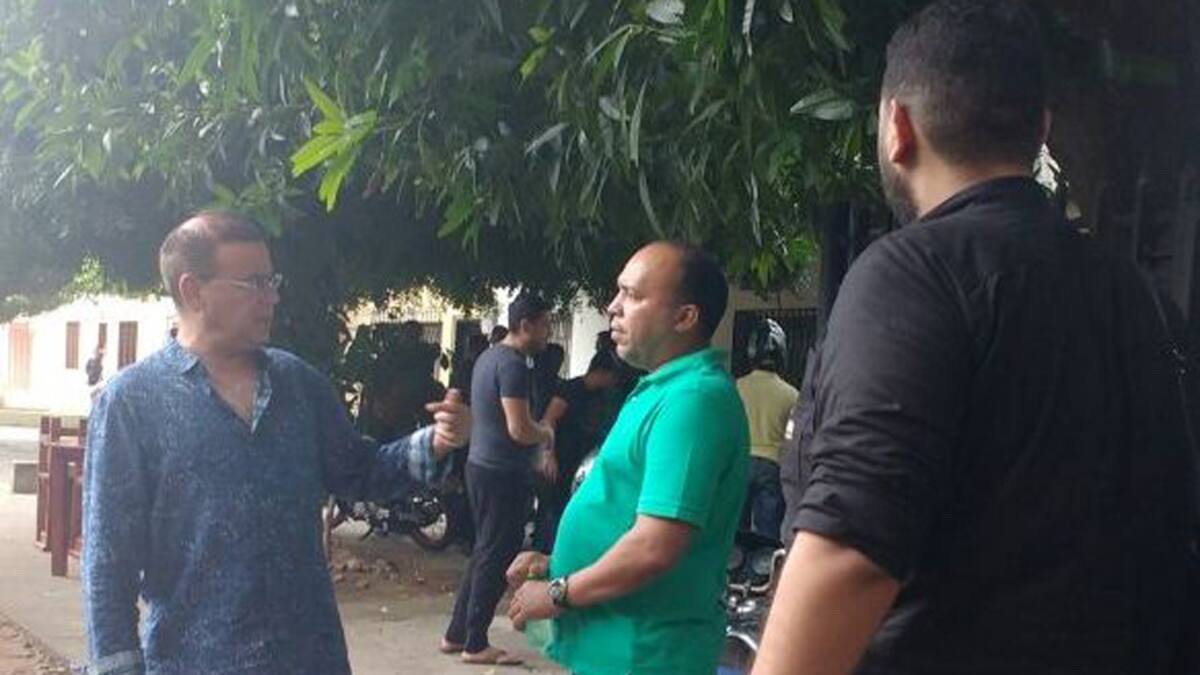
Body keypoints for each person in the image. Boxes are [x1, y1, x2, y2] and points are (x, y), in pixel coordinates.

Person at [753, 2, 1198, 674]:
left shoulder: (913, 272)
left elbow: (850, 551)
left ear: (897, 126)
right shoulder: (1135, 295)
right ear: (1041, 129)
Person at [82, 211, 471, 675]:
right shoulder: (132, 403)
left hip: (310, 659)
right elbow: (109, 562)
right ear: (193, 291)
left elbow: (360, 471)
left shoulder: (298, 385)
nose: (272, 297)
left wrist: (438, 442)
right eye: (254, 283)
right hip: (194, 662)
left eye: (272, 281)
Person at [506, 241, 750, 675]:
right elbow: (624, 512)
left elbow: (655, 546)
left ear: (684, 317)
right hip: (613, 646)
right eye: (618, 291)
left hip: (645, 654)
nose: (613, 306)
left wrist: (560, 592)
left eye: (633, 295)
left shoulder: (693, 400)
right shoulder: (662, 388)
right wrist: (557, 564)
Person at [442, 292, 554, 666]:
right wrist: (545, 432)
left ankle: (457, 634)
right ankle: (475, 643)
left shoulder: (488, 357)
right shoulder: (513, 365)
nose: (548, 332)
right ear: (526, 325)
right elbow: (519, 429)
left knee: (484, 551)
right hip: (502, 473)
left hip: (481, 466)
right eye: (545, 325)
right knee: (495, 555)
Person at [531, 349, 624, 553]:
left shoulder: (601, 395)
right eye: (612, 376)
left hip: (579, 461)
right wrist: (548, 454)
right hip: (560, 458)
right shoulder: (570, 389)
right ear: (601, 372)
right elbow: (549, 420)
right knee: (553, 510)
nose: (613, 382)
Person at [736, 318, 799, 540]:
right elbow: (794, 437)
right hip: (773, 466)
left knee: (736, 528)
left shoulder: (737, 387)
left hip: (740, 463)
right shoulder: (792, 394)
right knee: (768, 531)